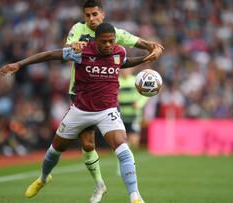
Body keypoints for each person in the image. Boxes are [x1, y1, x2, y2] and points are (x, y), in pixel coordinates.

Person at [0, 23, 156, 203]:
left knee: (123, 148)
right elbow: (50, 55)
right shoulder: (81, 52)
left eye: (111, 41)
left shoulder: (118, 52)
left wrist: (146, 58)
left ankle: (135, 197)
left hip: (108, 111)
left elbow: (125, 62)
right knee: (55, 150)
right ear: (95, 40)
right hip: (80, 110)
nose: (108, 45)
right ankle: (43, 178)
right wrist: (19, 63)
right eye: (104, 42)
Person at [65, 1, 163, 201]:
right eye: (87, 15)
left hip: (105, 96)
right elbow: (66, 49)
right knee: (88, 144)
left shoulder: (114, 33)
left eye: (94, 14)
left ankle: (134, 193)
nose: (91, 19)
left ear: (102, 13)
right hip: (79, 93)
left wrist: (154, 47)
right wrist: (72, 45)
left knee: (122, 143)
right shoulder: (78, 29)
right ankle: (99, 184)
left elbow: (140, 43)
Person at [118, 68, 149, 149]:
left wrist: (139, 104)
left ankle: (135, 154)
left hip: (134, 115)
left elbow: (145, 94)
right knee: (122, 139)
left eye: (126, 69)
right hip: (120, 115)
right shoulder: (116, 81)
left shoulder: (136, 80)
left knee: (134, 136)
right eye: (123, 69)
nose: (125, 70)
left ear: (131, 70)